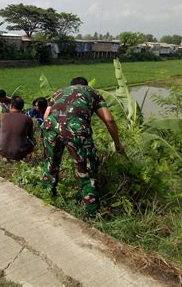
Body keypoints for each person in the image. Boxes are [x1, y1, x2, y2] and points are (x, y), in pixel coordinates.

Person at [42, 77, 125, 218]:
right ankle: (91, 213)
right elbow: (109, 120)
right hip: (76, 128)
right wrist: (117, 144)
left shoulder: (59, 92)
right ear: (85, 85)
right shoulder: (92, 92)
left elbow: (45, 116)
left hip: (51, 126)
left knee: (51, 163)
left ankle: (46, 196)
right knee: (86, 169)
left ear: (71, 85)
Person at [0, 95, 34, 161]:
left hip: (1, 150)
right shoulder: (27, 119)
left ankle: (5, 155)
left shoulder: (4, 116)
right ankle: (18, 156)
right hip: (18, 153)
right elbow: (30, 136)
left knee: (0, 133)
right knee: (31, 143)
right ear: (22, 107)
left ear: (11, 106)